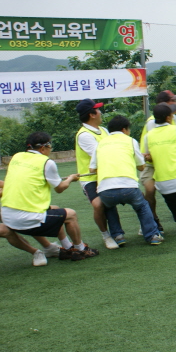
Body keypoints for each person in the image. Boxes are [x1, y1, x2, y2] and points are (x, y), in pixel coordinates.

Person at [1, 132, 99, 262]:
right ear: (43, 148)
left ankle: (67, 247)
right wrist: (70, 178)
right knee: (71, 215)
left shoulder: (16, 157)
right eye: (50, 147)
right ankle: (80, 249)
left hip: (7, 216)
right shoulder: (47, 162)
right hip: (25, 220)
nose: (50, 150)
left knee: (56, 209)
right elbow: (59, 188)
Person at [89, 115, 163, 246]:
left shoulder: (100, 143)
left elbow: (92, 169)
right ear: (124, 129)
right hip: (128, 187)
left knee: (109, 207)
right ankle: (152, 235)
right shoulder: (130, 141)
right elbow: (141, 167)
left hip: (106, 190)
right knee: (142, 206)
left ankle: (118, 236)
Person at [74, 98, 122, 249]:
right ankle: (106, 235)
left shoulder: (103, 130)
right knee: (98, 204)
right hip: (90, 178)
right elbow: (102, 155)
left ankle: (118, 234)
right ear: (92, 114)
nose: (100, 112)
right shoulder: (84, 135)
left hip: (105, 174)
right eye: (98, 109)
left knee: (110, 201)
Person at [138, 90, 176, 233]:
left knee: (174, 189)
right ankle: (151, 221)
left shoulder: (173, 118)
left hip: (163, 161)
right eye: (172, 101)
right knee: (150, 190)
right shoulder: (153, 122)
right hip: (150, 163)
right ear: (163, 104)